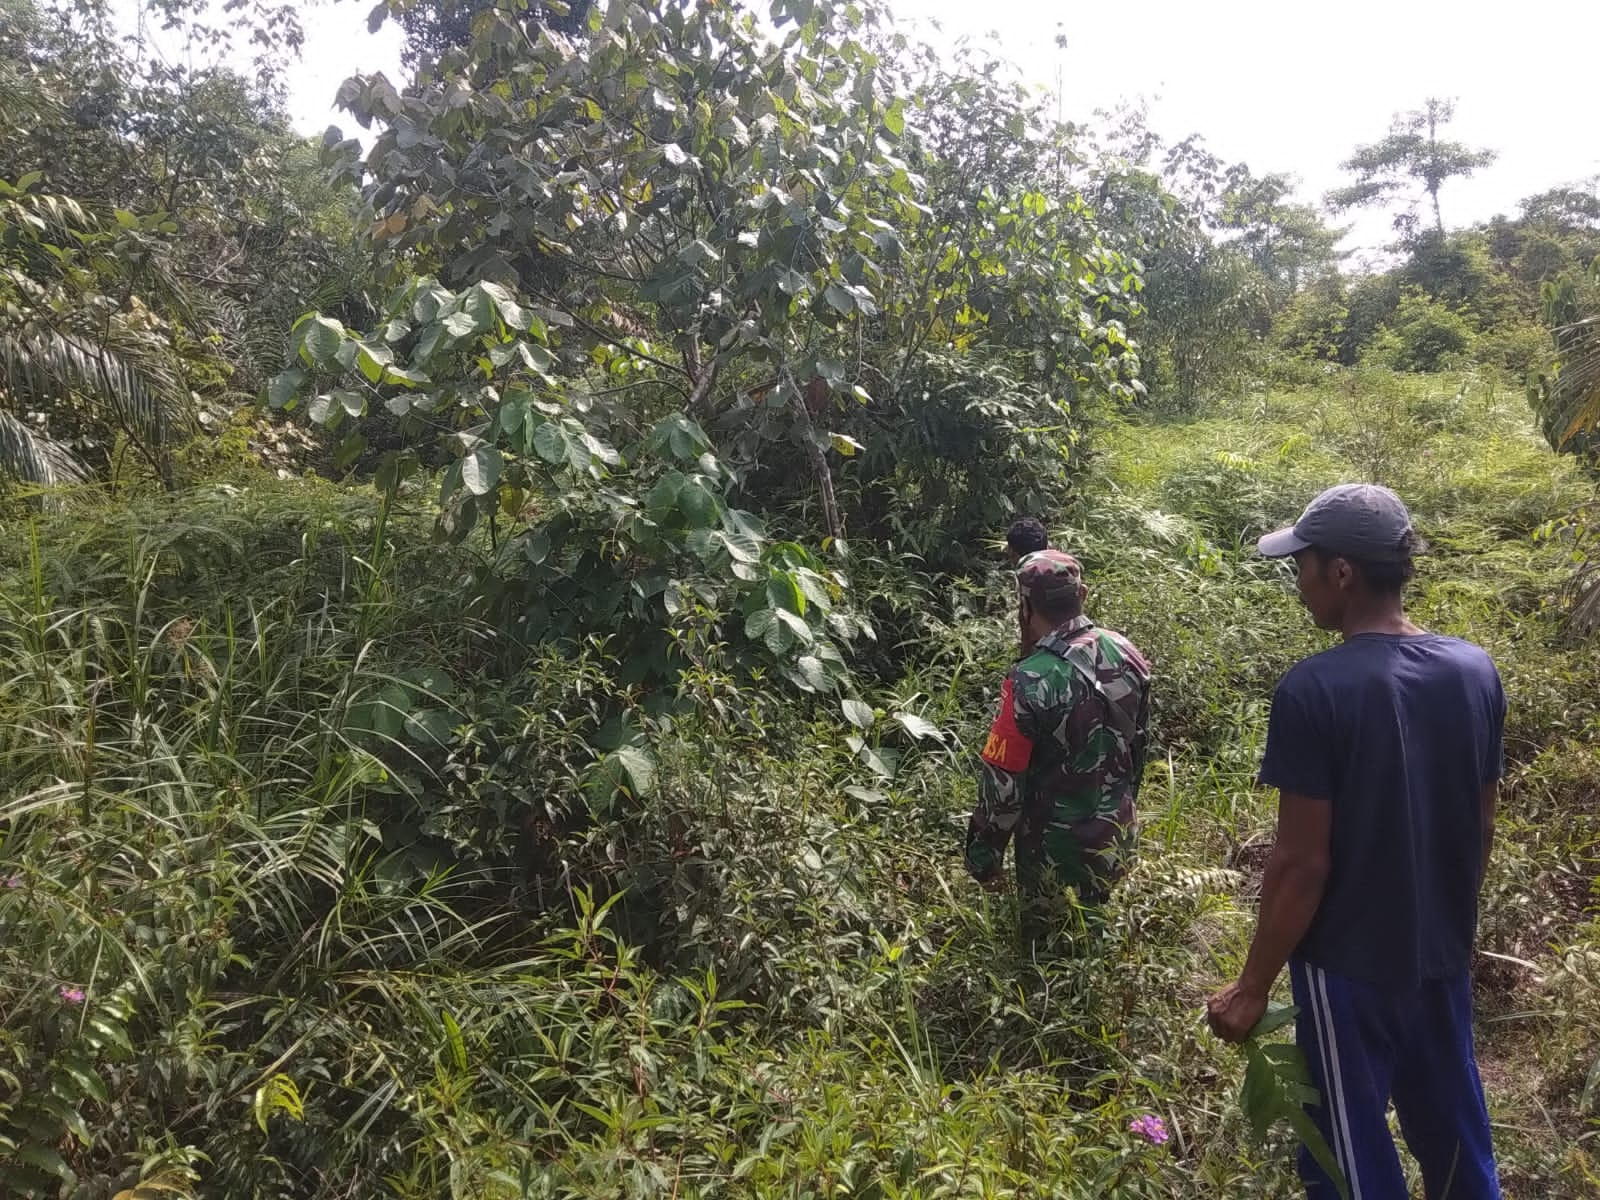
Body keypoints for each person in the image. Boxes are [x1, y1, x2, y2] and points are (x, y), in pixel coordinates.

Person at [1206, 483, 1505, 1200]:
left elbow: (1302, 863)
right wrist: (1449, 931)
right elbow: (1481, 824)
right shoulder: (1474, 671)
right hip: (1439, 957)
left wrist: (1251, 988)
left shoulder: (1314, 690)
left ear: (1340, 572)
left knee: (1349, 1159)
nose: (1298, 583)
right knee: (1457, 1141)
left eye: (1302, 566)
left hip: (1347, 971)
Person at [966, 549, 1152, 952]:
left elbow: (1003, 784)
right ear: (1082, 594)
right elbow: (1140, 746)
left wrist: (984, 856)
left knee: (1049, 961)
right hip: (1117, 835)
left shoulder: (1030, 679)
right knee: (1100, 944)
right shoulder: (1127, 652)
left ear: (1025, 604)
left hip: (1053, 855)